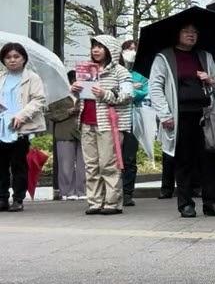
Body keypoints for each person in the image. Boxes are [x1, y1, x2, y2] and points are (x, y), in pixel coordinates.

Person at [148, 22, 215, 219]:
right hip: (179, 115)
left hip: (205, 115)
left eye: (194, 32)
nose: (191, 35)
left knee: (211, 160)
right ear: (177, 34)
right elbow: (155, 87)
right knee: (184, 160)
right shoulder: (164, 57)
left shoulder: (205, 56)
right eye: (186, 31)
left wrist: (211, 80)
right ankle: (185, 204)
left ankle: (212, 203)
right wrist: (164, 114)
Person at [73, 35, 134, 216]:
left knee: (108, 163)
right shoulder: (86, 69)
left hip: (109, 123)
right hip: (86, 121)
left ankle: (112, 202)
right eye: (94, 46)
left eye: (100, 46)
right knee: (91, 165)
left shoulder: (121, 72)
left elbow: (128, 96)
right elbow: (80, 99)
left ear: (111, 50)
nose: (96, 50)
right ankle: (94, 201)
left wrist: (105, 93)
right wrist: (75, 91)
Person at [0, 43, 46, 211]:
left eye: (16, 57)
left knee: (18, 164)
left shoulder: (32, 78)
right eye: (8, 57)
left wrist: (22, 115)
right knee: (1, 165)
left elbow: (39, 99)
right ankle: (2, 198)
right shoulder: (1, 77)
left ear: (24, 59)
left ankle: (18, 198)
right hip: (1, 125)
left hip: (20, 126)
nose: (12, 60)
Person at [118, 39, 148, 207]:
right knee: (114, 158)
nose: (131, 52)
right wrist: (130, 87)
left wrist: (130, 88)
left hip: (133, 120)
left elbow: (142, 92)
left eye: (134, 49)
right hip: (115, 120)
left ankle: (127, 193)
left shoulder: (141, 74)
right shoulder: (116, 71)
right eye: (128, 49)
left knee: (129, 158)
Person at [47, 71, 85, 201]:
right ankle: (67, 191)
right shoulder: (58, 96)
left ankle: (83, 190)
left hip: (84, 132)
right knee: (65, 164)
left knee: (84, 164)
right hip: (64, 132)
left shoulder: (86, 95)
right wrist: (67, 112)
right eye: (74, 80)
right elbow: (50, 114)